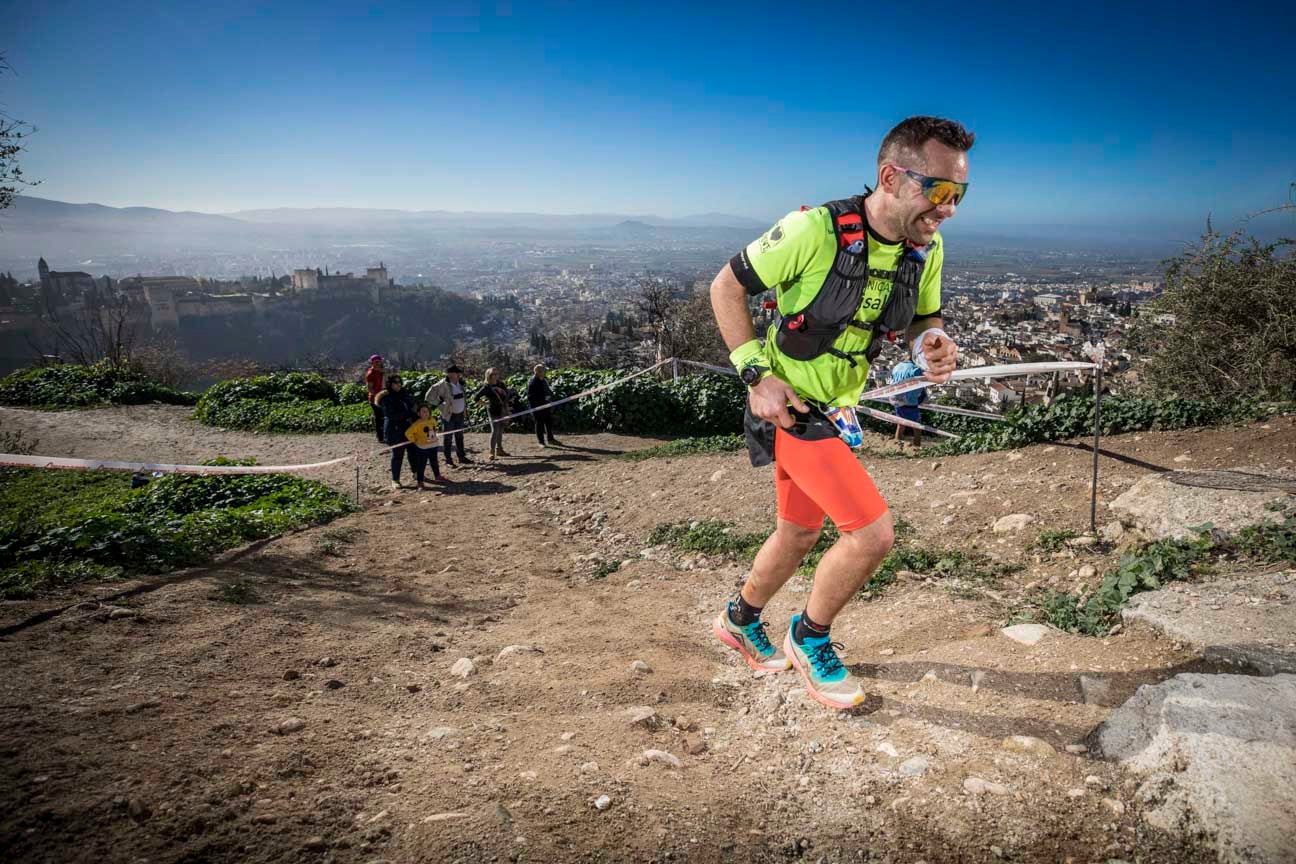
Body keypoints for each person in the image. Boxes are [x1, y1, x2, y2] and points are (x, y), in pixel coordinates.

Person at [708, 116, 969, 709]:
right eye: (940, 190)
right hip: (792, 406)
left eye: (960, 194)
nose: (950, 208)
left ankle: (739, 619)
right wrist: (758, 375)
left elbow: (924, 317)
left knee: (799, 531)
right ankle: (809, 635)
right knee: (871, 535)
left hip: (840, 404)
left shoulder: (926, 248)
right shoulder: (813, 230)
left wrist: (929, 342)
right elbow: (726, 287)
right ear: (891, 177)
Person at [374, 372, 418, 489]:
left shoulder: (404, 394)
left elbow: (412, 406)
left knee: (413, 452)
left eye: (400, 382)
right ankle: (395, 479)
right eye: (396, 382)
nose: (399, 385)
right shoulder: (386, 398)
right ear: (390, 384)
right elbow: (392, 415)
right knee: (397, 455)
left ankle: (416, 473)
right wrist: (408, 414)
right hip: (394, 430)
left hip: (408, 428)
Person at [426, 364, 472, 466]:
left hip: (460, 414)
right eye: (451, 373)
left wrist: (465, 409)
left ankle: (461, 457)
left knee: (459, 436)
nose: (452, 375)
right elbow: (429, 396)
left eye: (454, 373)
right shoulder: (442, 384)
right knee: (448, 438)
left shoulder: (460, 384)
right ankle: (448, 459)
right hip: (449, 415)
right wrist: (439, 404)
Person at [889, 359, 928, 449]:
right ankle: (916, 449)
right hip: (910, 401)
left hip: (896, 400)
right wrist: (919, 399)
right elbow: (918, 387)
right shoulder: (916, 369)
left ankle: (896, 446)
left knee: (901, 424)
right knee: (917, 428)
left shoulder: (897, 367)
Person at [473, 367, 511, 460]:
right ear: (488, 375)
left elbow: (506, 394)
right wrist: (485, 403)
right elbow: (476, 398)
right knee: (495, 431)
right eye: (493, 374)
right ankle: (491, 451)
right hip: (493, 411)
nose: (495, 376)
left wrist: (507, 406)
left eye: (497, 374)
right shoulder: (486, 387)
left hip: (502, 410)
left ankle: (500, 449)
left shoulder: (501, 384)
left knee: (501, 430)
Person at [405, 404, 444, 489]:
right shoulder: (417, 424)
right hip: (422, 448)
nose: (426, 413)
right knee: (421, 465)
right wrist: (414, 440)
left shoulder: (433, 420)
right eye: (423, 411)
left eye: (427, 411)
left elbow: (434, 428)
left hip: (433, 445)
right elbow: (408, 433)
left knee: (434, 462)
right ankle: (420, 482)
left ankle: (437, 476)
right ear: (418, 414)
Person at [527, 364, 560, 447]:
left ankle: (551, 439)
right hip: (537, 407)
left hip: (546, 406)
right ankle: (541, 442)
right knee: (539, 424)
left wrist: (549, 400)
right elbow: (531, 397)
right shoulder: (533, 383)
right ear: (539, 372)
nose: (545, 372)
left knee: (548, 422)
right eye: (544, 370)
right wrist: (540, 404)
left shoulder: (543, 380)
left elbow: (547, 391)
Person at [364, 354, 386, 443]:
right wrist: (378, 397)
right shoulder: (370, 374)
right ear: (372, 363)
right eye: (376, 362)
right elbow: (370, 388)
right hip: (375, 399)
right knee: (379, 418)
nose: (378, 363)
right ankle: (380, 437)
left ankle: (383, 435)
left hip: (382, 397)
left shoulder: (381, 371)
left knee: (383, 417)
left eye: (379, 361)